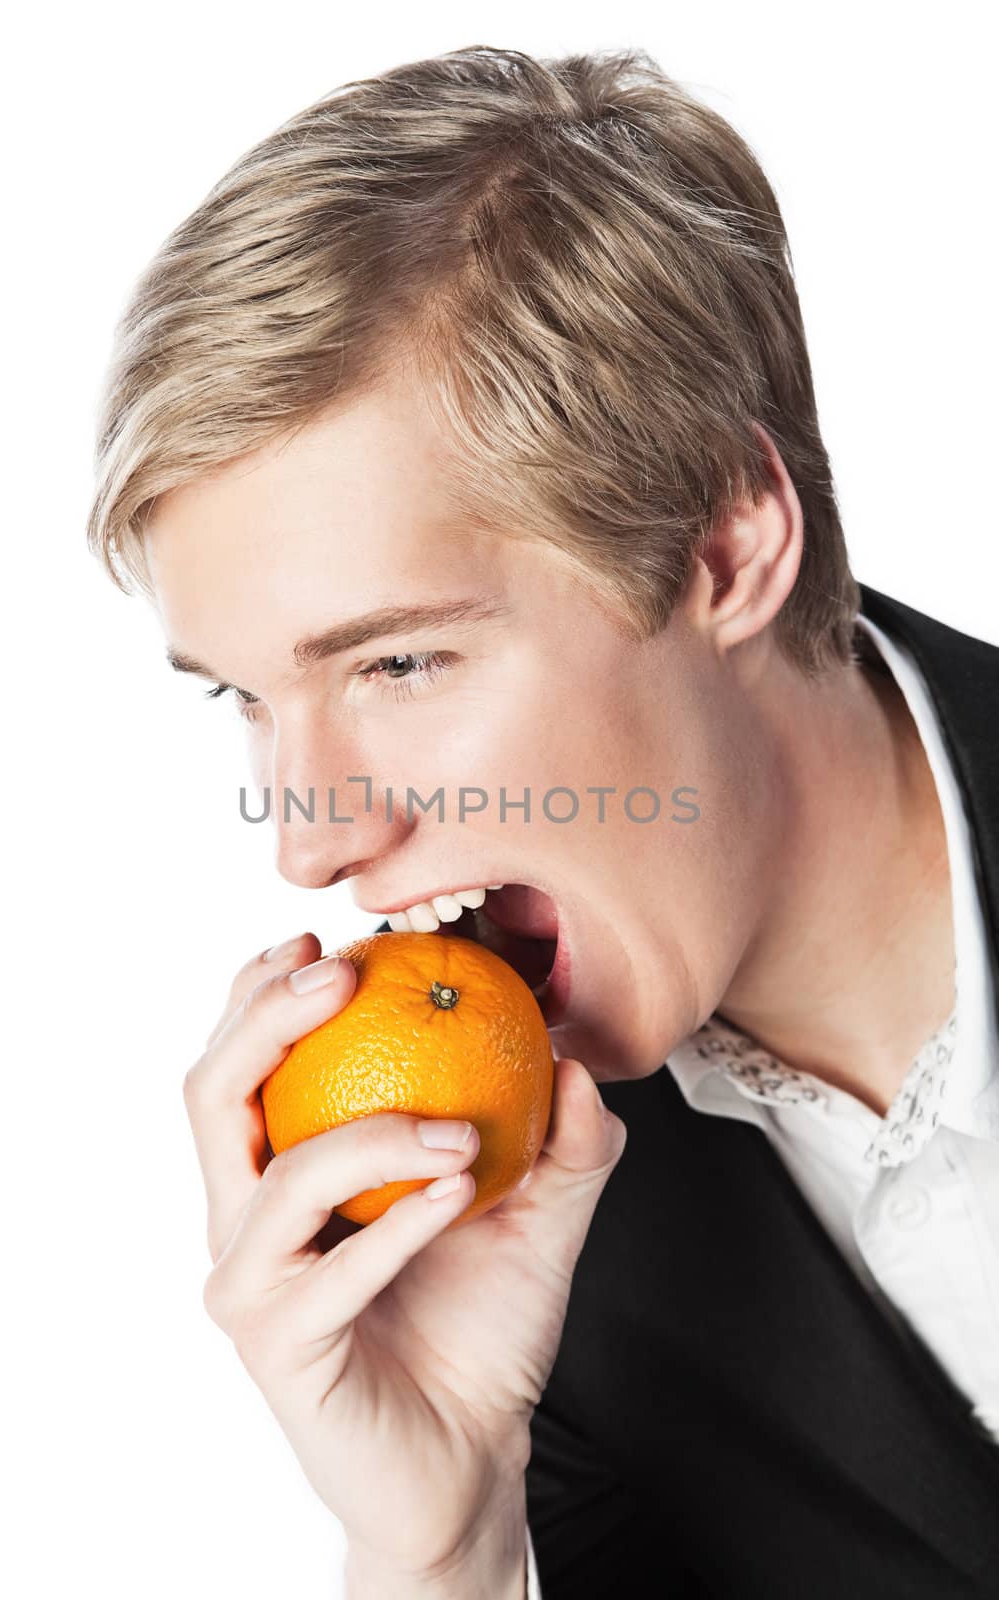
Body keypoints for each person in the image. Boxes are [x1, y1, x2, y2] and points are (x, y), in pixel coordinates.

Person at [85, 43, 999, 1599]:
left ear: (726, 543)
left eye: (398, 661)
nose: (307, 838)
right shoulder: (533, 1233)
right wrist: (432, 1542)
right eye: (241, 695)